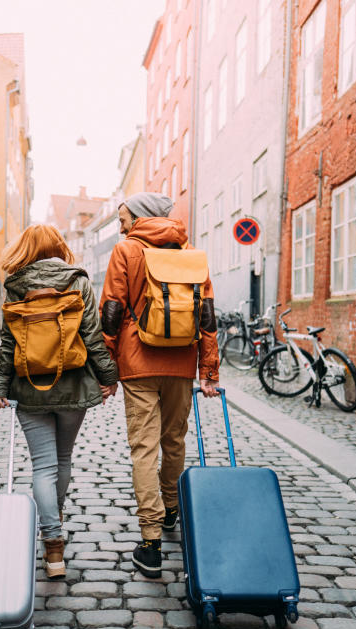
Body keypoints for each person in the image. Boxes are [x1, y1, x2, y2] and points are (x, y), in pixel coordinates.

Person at [99, 192, 220, 579]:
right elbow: (207, 317)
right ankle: (170, 510)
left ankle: (150, 542)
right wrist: (209, 372)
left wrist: (107, 371)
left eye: (124, 218)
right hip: (182, 362)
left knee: (143, 449)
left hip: (138, 363)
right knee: (174, 442)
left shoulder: (126, 251)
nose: (121, 225)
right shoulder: (191, 253)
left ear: (141, 216)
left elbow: (112, 311)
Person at [0, 225, 118, 580]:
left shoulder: (16, 285)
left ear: (27, 248)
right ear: (59, 247)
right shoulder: (78, 282)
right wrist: (109, 377)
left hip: (30, 388)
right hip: (73, 386)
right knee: (62, 459)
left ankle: (52, 545)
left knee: (42, 466)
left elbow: (8, 345)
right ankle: (55, 525)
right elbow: (92, 337)